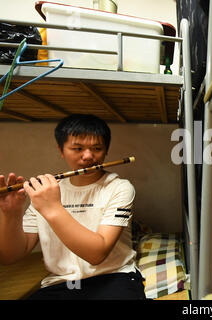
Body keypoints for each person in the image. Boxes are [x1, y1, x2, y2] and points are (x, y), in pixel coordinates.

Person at [0, 114, 145, 300]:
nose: (88, 156)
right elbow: (9, 256)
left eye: (97, 148)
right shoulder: (48, 192)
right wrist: (10, 214)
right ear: (61, 150)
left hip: (114, 277)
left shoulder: (119, 187)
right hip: (61, 283)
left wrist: (52, 208)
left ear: (106, 150)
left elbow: (96, 254)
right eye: (77, 148)